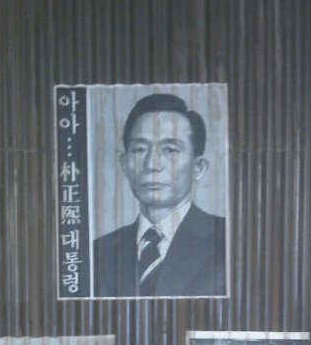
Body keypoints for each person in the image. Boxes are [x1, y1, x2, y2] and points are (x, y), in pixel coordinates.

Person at [93, 93, 226, 297]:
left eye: (170, 150)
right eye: (139, 150)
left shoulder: (227, 239)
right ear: (124, 164)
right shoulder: (98, 251)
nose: (152, 165)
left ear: (198, 167)